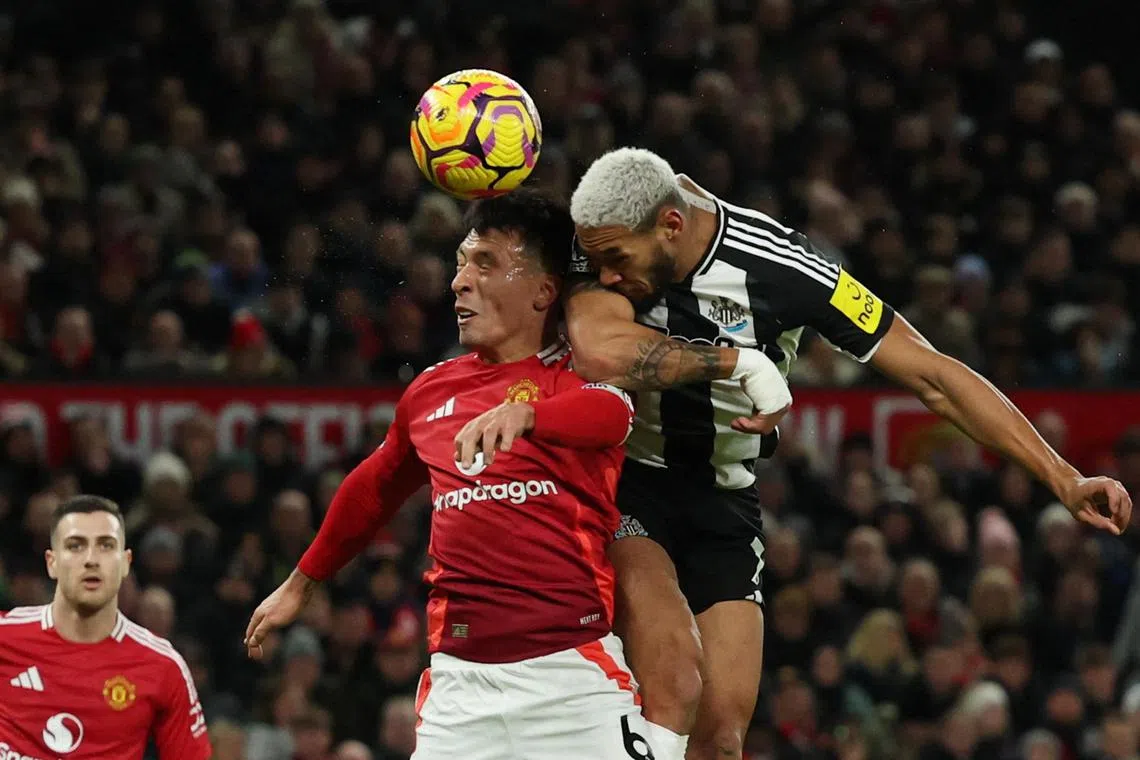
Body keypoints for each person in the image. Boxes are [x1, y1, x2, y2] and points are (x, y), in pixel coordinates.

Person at [564, 147, 1133, 760]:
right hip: (626, 485)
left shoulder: (783, 269)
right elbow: (597, 347)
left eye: (618, 262)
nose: (607, 277)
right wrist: (737, 363)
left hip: (724, 499)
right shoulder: (605, 234)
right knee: (674, 679)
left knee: (721, 739)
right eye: (597, 262)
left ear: (672, 227)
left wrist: (1062, 476)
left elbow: (931, 375)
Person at [243, 190, 668, 759]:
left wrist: (528, 415)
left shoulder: (580, 373)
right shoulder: (431, 391)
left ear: (544, 291)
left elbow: (613, 415)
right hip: (459, 694)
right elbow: (375, 486)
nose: (459, 282)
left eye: (485, 263)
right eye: (461, 263)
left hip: (571, 681)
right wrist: (301, 583)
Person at [0, 494, 212, 760]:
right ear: (51, 563)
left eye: (106, 545)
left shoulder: (162, 666)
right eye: (76, 546)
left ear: (125, 563)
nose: (91, 559)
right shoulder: (5, 637)